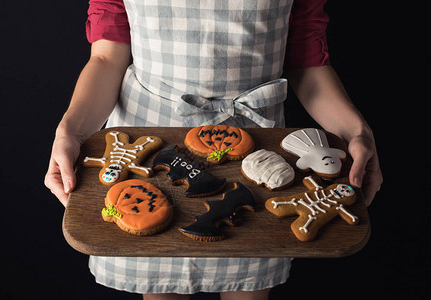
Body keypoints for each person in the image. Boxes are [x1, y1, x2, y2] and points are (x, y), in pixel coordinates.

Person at [45, 0, 383, 299]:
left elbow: (306, 61)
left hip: (256, 151)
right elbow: (106, 58)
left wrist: (357, 131)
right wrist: (70, 131)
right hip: (152, 136)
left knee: (248, 281)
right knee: (160, 281)